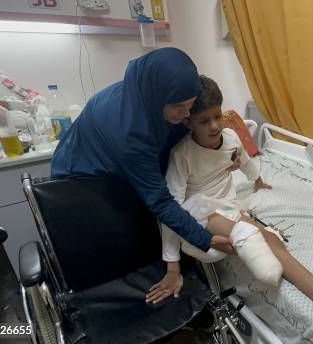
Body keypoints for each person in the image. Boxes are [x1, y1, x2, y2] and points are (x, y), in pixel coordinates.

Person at [146, 76, 313, 344]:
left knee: (273, 241)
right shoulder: (182, 156)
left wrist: (258, 180)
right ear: (187, 122)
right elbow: (169, 211)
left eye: (218, 116)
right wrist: (172, 266)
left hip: (227, 206)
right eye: (204, 121)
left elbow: (246, 160)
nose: (214, 126)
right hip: (196, 214)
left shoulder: (229, 138)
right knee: (254, 237)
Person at [51, 48, 233, 256]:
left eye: (190, 105)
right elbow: (161, 201)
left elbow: (188, 134)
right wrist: (205, 238)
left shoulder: (152, 93)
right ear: (158, 97)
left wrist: (225, 154)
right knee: (118, 243)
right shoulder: (130, 133)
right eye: (179, 107)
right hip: (84, 178)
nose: (186, 114)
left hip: (119, 156)